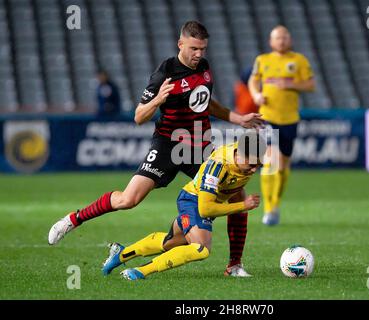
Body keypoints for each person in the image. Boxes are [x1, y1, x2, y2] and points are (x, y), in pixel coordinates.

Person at [48, 21, 263, 277]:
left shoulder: (204, 68)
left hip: (199, 146)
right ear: (180, 43)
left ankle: (234, 265)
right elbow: (139, 116)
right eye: (194, 48)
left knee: (236, 194)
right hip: (168, 144)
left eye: (203, 49)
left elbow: (205, 103)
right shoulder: (165, 72)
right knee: (129, 199)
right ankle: (73, 219)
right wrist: (159, 99)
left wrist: (237, 118)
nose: (199, 55)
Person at [102, 131, 266, 280]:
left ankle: (121, 254)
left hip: (203, 201)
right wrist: (243, 205)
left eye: (258, 165)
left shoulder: (246, 151)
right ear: (240, 156)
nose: (254, 170)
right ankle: (140, 272)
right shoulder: (217, 167)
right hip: (193, 201)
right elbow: (205, 209)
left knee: (170, 243)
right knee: (200, 248)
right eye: (251, 165)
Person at [248, 25, 316, 226]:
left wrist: (290, 84)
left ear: (290, 40)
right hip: (268, 118)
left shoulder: (299, 60)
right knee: (271, 160)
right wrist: (256, 95)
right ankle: (268, 209)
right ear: (271, 41)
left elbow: (311, 85)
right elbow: (253, 81)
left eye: (285, 37)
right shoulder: (262, 60)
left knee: (284, 165)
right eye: (278, 38)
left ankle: (275, 203)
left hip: (290, 120)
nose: (282, 40)